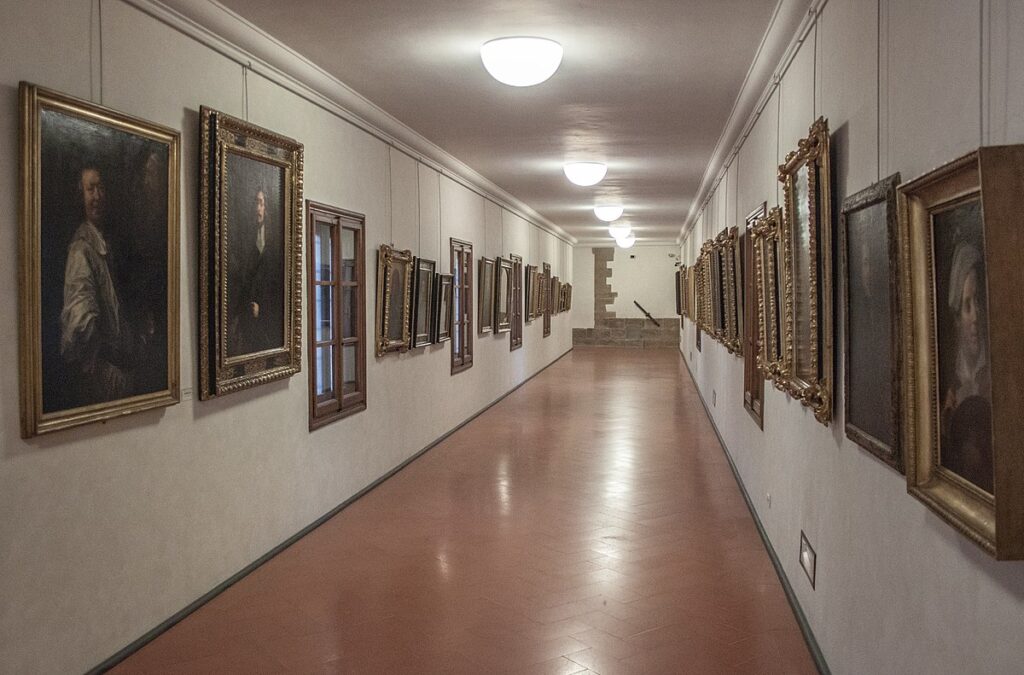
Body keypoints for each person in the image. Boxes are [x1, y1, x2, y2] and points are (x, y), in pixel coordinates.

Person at [60, 165, 154, 407]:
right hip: (102, 373)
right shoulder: (81, 250)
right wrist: (115, 355)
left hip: (122, 369)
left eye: (101, 188)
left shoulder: (108, 242)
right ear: (80, 195)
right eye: (90, 189)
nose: (97, 197)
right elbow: (81, 323)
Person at [940, 240, 993, 493]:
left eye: (979, 303)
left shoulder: (996, 373)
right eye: (967, 306)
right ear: (957, 316)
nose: (974, 317)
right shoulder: (946, 380)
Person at [229, 183, 282, 355]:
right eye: (255, 203)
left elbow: (277, 281)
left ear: (266, 207)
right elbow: (240, 274)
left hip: (267, 310)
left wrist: (262, 307)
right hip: (246, 306)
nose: (257, 208)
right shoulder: (245, 235)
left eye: (260, 203)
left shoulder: (274, 237)